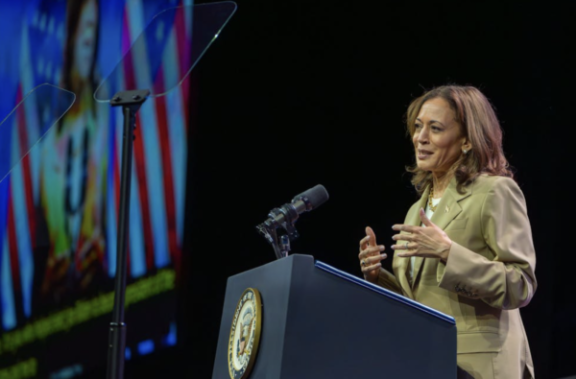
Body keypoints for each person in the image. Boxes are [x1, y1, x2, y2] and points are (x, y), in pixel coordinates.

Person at [358, 85, 536, 379]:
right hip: (427, 361)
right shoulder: (417, 210)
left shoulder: (495, 191)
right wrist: (379, 278)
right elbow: (419, 302)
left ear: (467, 140)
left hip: (479, 366)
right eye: (417, 127)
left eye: (435, 128)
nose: (420, 138)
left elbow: (521, 284)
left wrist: (448, 252)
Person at [37, 0, 108, 304]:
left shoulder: (109, 116)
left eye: (93, 28)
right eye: (82, 28)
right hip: (55, 303)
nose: (88, 40)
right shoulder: (46, 138)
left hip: (103, 292)